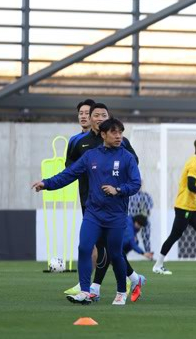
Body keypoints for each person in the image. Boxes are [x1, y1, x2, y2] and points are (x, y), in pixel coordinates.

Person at [34, 118, 142, 306]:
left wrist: (118, 190)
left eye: (120, 132)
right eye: (114, 132)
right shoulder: (90, 156)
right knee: (84, 248)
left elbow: (135, 183)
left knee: (115, 254)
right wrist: (46, 183)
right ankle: (85, 291)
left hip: (116, 215)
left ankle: (120, 292)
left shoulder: (127, 157)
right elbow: (68, 174)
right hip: (93, 213)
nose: (119, 136)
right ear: (103, 134)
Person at [63, 102, 140, 297]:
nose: (98, 118)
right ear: (90, 119)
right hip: (89, 200)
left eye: (102, 115)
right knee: (95, 245)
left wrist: (117, 187)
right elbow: (69, 169)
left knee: (107, 247)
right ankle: (128, 278)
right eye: (93, 115)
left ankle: (95, 287)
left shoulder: (119, 140)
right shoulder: (78, 142)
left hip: (114, 203)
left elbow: (133, 165)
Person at [154, 136, 196, 275]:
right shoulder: (195, 162)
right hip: (184, 206)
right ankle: (158, 265)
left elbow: (192, 186)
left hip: (192, 207)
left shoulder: (194, 160)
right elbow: (191, 186)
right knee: (175, 235)